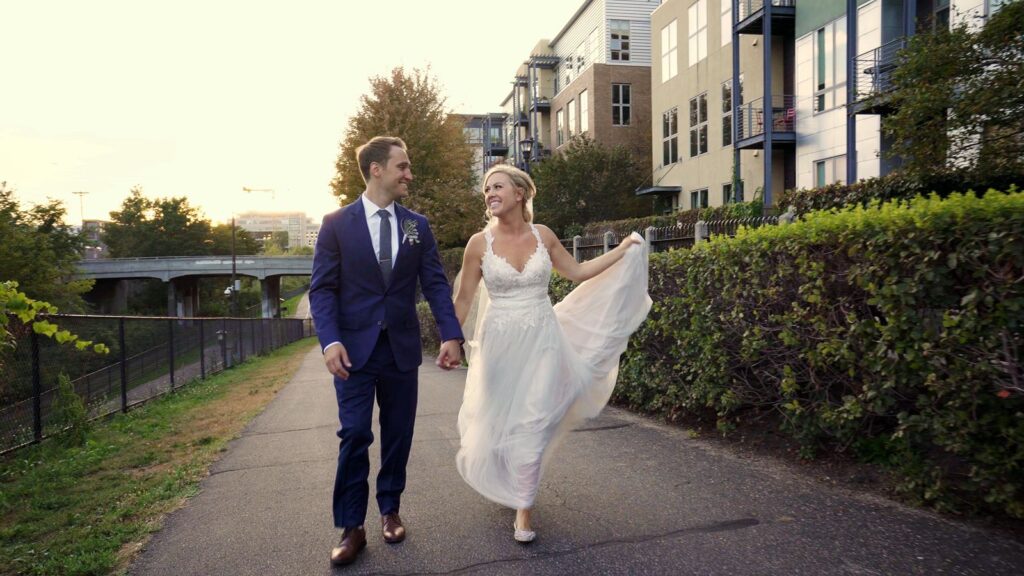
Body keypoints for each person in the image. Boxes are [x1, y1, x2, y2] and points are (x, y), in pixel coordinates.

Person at [452, 164, 651, 543]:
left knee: (534, 419)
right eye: (486, 190)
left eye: (497, 186)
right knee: (500, 419)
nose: (490, 193)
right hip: (499, 344)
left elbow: (577, 271)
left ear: (520, 193)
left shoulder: (543, 236)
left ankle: (523, 509)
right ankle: (506, 476)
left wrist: (622, 251)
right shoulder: (479, 244)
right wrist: (450, 340)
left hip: (544, 339)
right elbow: (462, 300)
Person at [309, 136, 464, 566]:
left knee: (398, 434)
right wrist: (331, 341)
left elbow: (433, 281)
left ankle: (390, 508)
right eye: (403, 166)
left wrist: (450, 333)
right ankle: (351, 525)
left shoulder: (416, 225)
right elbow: (322, 289)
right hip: (352, 353)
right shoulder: (336, 223)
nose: (409, 175)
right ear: (377, 169)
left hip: (400, 349)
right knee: (355, 433)